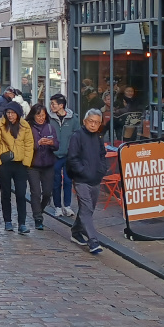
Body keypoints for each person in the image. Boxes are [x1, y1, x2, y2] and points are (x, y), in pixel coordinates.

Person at [66, 109, 108, 254]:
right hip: (81, 179)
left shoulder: (98, 137)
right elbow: (72, 158)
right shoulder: (77, 136)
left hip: (95, 179)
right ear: (85, 121)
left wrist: (102, 169)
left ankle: (76, 231)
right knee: (86, 208)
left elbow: (103, 155)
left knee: (88, 209)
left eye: (97, 122)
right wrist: (83, 171)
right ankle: (93, 241)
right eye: (91, 121)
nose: (93, 125)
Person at [0, 101, 34, 233]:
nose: (10, 116)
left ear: (18, 114)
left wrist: (26, 163)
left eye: (13, 113)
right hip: (5, 164)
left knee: (21, 194)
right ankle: (7, 221)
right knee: (6, 194)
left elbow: (29, 144)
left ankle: (22, 223)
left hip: (20, 164)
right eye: (8, 113)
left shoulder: (25, 125)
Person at [26, 104, 59, 230]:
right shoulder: (28, 128)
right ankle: (38, 218)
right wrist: (37, 144)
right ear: (33, 115)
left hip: (48, 165)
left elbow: (57, 145)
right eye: (38, 115)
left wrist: (51, 143)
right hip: (33, 165)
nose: (41, 118)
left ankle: (40, 210)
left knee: (47, 193)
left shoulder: (50, 128)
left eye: (43, 115)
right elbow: (26, 145)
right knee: (36, 192)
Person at [49, 93, 79, 218]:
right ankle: (57, 207)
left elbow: (78, 136)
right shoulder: (49, 118)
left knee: (67, 181)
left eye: (53, 104)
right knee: (56, 182)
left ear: (61, 105)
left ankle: (67, 206)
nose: (51, 106)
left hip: (68, 155)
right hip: (54, 155)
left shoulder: (73, 119)